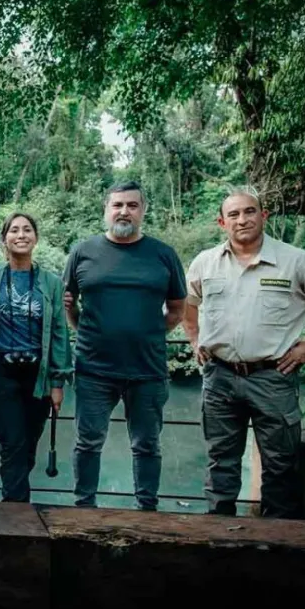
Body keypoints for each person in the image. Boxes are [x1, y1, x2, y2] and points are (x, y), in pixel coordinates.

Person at [183, 188, 305, 518]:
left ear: (263, 215)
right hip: (220, 377)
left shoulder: (297, 261)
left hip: (274, 377)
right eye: (235, 214)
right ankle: (218, 541)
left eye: (250, 211)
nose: (243, 219)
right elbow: (188, 303)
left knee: (280, 465)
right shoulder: (205, 262)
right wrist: (195, 338)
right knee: (220, 464)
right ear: (222, 222)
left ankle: (276, 547)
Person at [63, 180, 187, 511]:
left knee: (146, 445)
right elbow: (68, 303)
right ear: (106, 209)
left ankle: (147, 511)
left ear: (143, 210)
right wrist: (88, 331)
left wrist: (146, 333)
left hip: (147, 369)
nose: (124, 211)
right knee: (88, 443)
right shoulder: (83, 251)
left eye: (132, 205)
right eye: (117, 205)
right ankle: (83, 509)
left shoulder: (163, 254)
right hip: (93, 369)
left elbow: (177, 309)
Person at [0, 212, 71, 502]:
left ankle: (15, 504)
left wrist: (57, 381)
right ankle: (15, 512)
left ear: (36, 238)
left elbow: (58, 332)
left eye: (27, 230)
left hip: (37, 372)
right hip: (1, 371)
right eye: (14, 230)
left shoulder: (51, 283)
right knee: (12, 443)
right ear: (4, 239)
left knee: (29, 443)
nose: (21, 235)